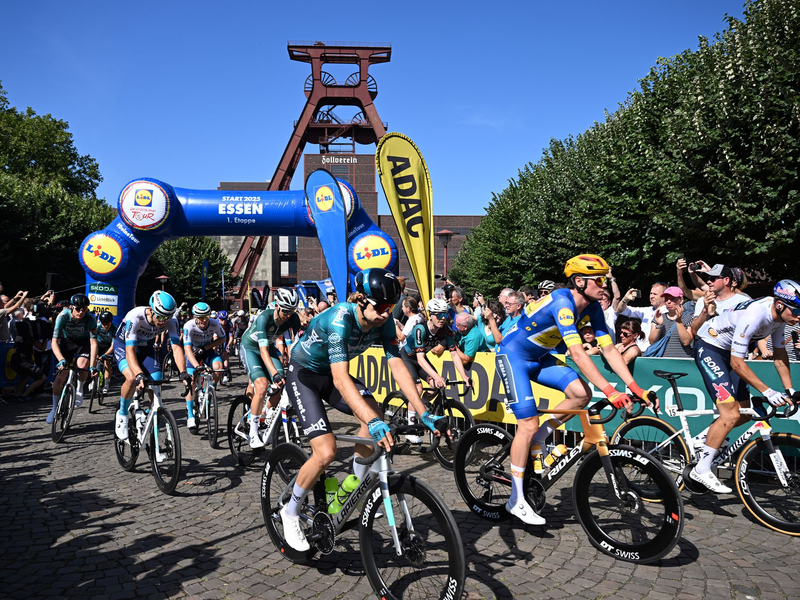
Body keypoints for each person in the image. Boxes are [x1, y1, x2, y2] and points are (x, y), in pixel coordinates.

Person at [279, 268, 447, 551]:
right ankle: (290, 511)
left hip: (332, 376)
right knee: (326, 451)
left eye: (390, 308)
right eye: (380, 307)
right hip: (305, 374)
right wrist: (371, 420)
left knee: (375, 414)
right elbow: (341, 380)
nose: (385, 313)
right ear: (360, 300)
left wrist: (424, 412)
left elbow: (398, 367)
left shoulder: (382, 322)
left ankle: (352, 487)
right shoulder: (340, 320)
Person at [495, 254, 656, 525]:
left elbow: (608, 350)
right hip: (513, 356)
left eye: (607, 279)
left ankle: (539, 437)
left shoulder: (592, 308)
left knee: (582, 395)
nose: (605, 285)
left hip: (539, 358)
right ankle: (516, 498)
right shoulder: (562, 302)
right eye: (600, 280)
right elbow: (579, 355)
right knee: (527, 423)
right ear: (579, 281)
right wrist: (611, 391)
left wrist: (635, 387)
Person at [687, 280, 800, 493]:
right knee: (729, 415)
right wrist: (767, 390)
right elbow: (737, 364)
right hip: (710, 348)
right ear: (779, 305)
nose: (799, 315)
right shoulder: (755, 315)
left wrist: (790, 390)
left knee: (746, 413)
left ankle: (704, 439)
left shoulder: (781, 318)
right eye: (796, 310)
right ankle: (700, 470)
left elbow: (780, 355)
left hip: (729, 353)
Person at [113, 291, 190, 440]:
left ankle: (152, 415)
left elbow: (176, 347)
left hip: (145, 346)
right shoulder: (136, 317)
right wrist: (138, 374)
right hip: (124, 346)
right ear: (150, 310)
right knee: (130, 378)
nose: (163, 321)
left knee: (156, 380)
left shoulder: (171, 320)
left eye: (166, 318)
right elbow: (130, 351)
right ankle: (122, 414)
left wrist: (183, 372)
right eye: (160, 317)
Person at [240, 287, 302, 448]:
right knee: (262, 386)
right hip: (251, 348)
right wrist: (274, 373)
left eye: (292, 311)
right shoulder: (264, 318)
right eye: (286, 311)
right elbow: (263, 350)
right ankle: (253, 431)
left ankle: (265, 415)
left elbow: (297, 345)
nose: (289, 315)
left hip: (270, 348)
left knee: (280, 386)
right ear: (277, 306)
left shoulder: (293, 318)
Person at [47, 294, 99, 422]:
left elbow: (93, 343)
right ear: (71, 307)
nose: (81, 311)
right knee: (60, 376)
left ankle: (80, 388)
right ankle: (54, 408)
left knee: (82, 367)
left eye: (84, 308)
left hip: (83, 343)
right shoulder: (63, 316)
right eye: (78, 308)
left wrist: (92, 365)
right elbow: (54, 342)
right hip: (67, 342)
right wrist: (61, 360)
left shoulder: (90, 318)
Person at [183, 302, 227, 433]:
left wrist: (206, 348)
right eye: (200, 317)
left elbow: (222, 338)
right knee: (190, 381)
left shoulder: (215, 323)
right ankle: (190, 415)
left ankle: (211, 390)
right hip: (192, 353)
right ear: (194, 317)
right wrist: (197, 366)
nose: (204, 320)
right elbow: (186, 348)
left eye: (206, 317)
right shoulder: (188, 326)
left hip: (206, 350)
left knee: (218, 367)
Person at [615, 282, 668, 352]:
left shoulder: (668, 312)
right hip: (639, 351)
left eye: (655, 294)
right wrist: (625, 299)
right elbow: (621, 310)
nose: (651, 296)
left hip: (653, 352)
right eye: (651, 293)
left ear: (664, 296)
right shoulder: (647, 310)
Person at [649, 287, 694, 358]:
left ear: (681, 300)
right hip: (662, 361)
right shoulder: (659, 317)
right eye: (666, 299)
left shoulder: (689, 317)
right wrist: (659, 325)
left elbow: (686, 342)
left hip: (682, 362)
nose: (669, 302)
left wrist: (679, 322)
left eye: (673, 299)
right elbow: (652, 342)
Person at [94, 311, 116, 394]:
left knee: (107, 363)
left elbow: (113, 346)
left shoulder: (114, 328)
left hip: (109, 346)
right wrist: (96, 354)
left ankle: (106, 385)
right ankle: (92, 380)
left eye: (108, 323)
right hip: (99, 344)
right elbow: (93, 342)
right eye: (104, 323)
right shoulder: (98, 327)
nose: (106, 325)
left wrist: (105, 355)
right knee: (93, 360)